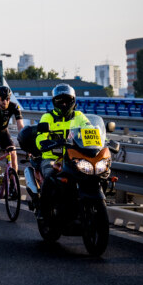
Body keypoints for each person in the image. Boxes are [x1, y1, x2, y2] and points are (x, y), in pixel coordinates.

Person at [35, 84, 92, 216]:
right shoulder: (48, 117)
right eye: (60, 101)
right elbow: (40, 137)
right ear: (54, 102)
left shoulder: (79, 116)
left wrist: (104, 141)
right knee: (50, 176)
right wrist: (44, 143)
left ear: (73, 101)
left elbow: (91, 130)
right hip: (52, 158)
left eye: (67, 100)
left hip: (74, 157)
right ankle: (44, 213)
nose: (64, 104)